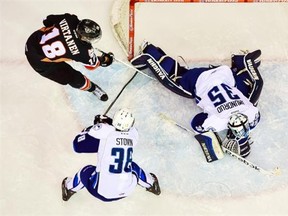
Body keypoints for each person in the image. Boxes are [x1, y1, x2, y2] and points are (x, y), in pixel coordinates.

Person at [131, 42, 264, 158]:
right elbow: (196, 123)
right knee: (175, 81)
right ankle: (149, 55)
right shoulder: (218, 122)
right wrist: (208, 134)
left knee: (250, 93)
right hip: (199, 79)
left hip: (224, 74)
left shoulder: (252, 114)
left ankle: (243, 62)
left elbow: (258, 84)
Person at [61, 108, 161, 202]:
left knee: (85, 170)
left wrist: (95, 126)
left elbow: (77, 146)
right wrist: (107, 124)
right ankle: (151, 185)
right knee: (133, 167)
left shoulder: (104, 131)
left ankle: (69, 188)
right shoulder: (134, 134)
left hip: (100, 192)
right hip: (127, 190)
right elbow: (120, 131)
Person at [25, 13, 114, 101]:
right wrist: (106, 59)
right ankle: (93, 88)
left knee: (67, 63)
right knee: (73, 78)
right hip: (41, 62)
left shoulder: (70, 19)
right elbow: (92, 66)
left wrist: (61, 34)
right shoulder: (84, 51)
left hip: (32, 41)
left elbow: (47, 20)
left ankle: (91, 88)